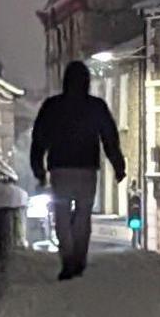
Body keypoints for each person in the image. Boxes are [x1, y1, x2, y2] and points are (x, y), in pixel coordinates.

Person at [27, 60, 128, 279]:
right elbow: (109, 137)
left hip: (60, 168)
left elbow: (39, 138)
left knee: (61, 215)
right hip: (86, 168)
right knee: (83, 213)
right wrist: (118, 165)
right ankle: (79, 258)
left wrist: (38, 168)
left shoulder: (52, 106)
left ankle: (68, 258)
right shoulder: (96, 106)